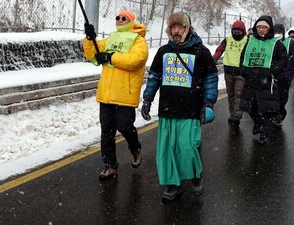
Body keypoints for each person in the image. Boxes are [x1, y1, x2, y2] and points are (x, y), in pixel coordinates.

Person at [140, 12, 218, 201]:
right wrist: (148, 99)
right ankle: (173, 184)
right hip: (168, 109)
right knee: (168, 149)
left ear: (187, 28)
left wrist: (208, 103)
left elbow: (210, 78)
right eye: (173, 28)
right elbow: (154, 77)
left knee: (188, 147)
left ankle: (195, 176)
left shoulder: (201, 51)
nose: (176, 31)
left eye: (180, 27)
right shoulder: (164, 51)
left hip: (191, 110)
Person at [83, 10, 149, 180]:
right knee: (106, 131)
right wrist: (89, 39)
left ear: (132, 21)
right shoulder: (110, 38)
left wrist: (111, 57)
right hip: (106, 93)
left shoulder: (138, 40)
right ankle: (110, 165)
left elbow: (136, 60)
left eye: (124, 18)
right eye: (117, 18)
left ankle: (135, 149)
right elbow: (92, 55)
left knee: (125, 126)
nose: (119, 20)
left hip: (125, 94)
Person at [239, 16, 287, 144]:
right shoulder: (250, 41)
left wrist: (273, 71)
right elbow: (243, 56)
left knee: (268, 109)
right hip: (250, 80)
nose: (261, 30)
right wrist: (243, 70)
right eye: (259, 27)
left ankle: (265, 135)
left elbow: (283, 59)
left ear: (269, 29)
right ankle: (259, 123)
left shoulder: (276, 43)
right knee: (249, 106)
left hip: (266, 81)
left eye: (264, 27)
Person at [213, 20, 247, 126]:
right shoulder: (227, 40)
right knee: (231, 94)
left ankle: (237, 115)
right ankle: (232, 113)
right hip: (228, 72)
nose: (236, 33)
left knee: (239, 93)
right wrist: (214, 58)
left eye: (239, 31)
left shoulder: (248, 40)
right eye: (234, 30)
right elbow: (219, 50)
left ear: (243, 31)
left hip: (241, 72)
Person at [273, 24, 294, 126]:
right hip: (272, 75)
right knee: (271, 96)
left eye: (279, 33)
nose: (277, 35)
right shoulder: (269, 42)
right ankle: (273, 114)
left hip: (286, 75)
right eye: (275, 32)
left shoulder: (290, 42)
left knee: (283, 96)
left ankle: (280, 113)